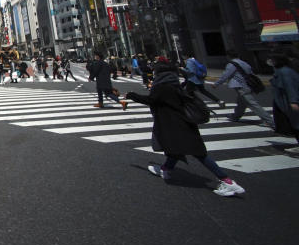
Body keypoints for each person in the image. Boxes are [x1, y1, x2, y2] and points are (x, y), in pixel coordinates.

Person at [124, 60, 245, 197]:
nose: (153, 72)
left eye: (155, 70)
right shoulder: (175, 83)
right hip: (184, 122)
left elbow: (152, 100)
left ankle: (227, 181)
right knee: (176, 149)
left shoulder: (162, 86)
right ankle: (166, 169)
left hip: (173, 124)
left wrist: (132, 95)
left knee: (198, 153)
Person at [214, 51, 274, 127]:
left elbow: (225, 75)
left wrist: (216, 84)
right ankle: (235, 117)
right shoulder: (244, 63)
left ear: (228, 56)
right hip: (247, 85)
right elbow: (251, 73)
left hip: (241, 86)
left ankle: (270, 121)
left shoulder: (231, 64)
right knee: (241, 103)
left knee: (253, 104)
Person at [269, 54, 299, 154]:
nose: (270, 61)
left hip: (289, 102)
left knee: (296, 124)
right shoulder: (283, 70)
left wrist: (293, 101)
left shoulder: (284, 72)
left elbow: (290, 87)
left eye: (272, 60)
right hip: (284, 102)